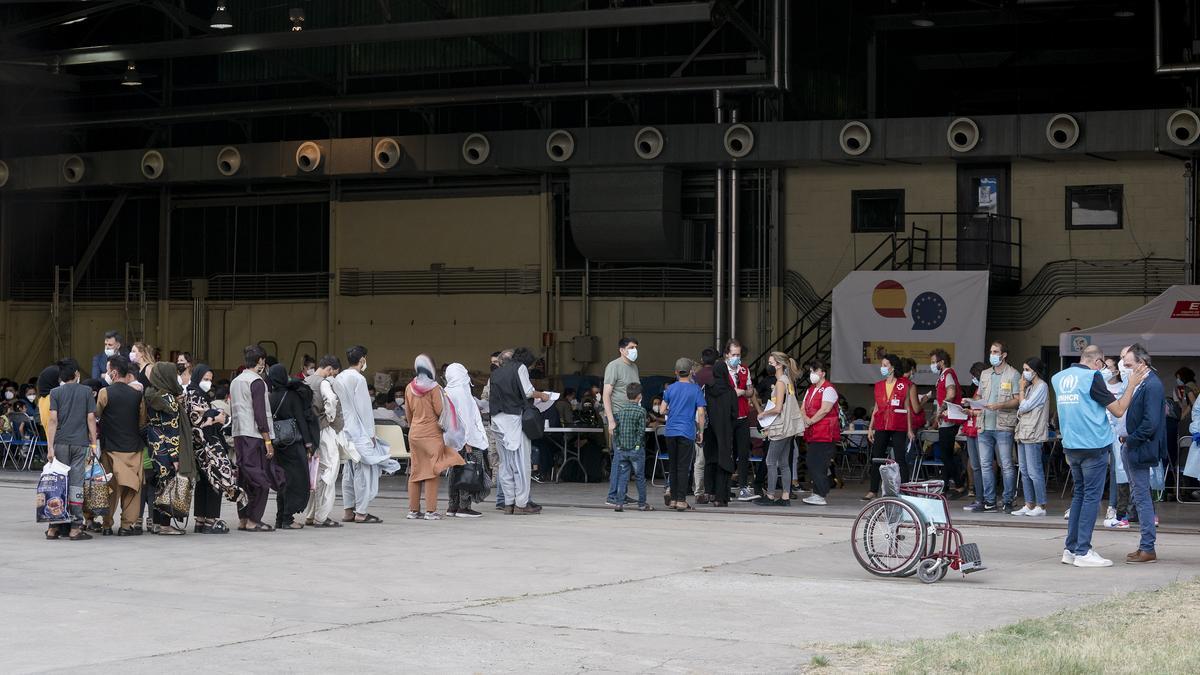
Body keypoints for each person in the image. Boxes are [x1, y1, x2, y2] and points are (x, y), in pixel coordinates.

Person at [1054, 345, 1143, 568]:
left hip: (1071, 445)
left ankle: (1070, 548)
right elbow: (1119, 409)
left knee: (1079, 496)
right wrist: (1131, 385)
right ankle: (1083, 550)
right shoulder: (1093, 377)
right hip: (1093, 445)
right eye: (1103, 364)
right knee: (1091, 498)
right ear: (1097, 362)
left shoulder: (1059, 377)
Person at [337, 344, 400, 524]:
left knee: (348, 470)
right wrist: (371, 434)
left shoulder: (339, 377)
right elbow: (365, 409)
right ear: (362, 360)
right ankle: (361, 512)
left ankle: (348, 510)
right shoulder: (359, 379)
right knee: (364, 471)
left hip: (344, 430)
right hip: (358, 431)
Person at [1119, 344, 1169, 564]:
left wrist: (1130, 440)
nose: (1125, 368)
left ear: (1142, 364)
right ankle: (1145, 546)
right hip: (1134, 445)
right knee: (1139, 496)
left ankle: (1147, 547)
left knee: (1141, 497)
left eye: (1128, 364)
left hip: (1139, 447)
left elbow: (1150, 423)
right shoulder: (1143, 384)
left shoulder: (1152, 385)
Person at [183, 363, 245, 534]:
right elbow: (198, 421)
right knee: (216, 480)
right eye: (205, 379)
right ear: (197, 378)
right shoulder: (195, 395)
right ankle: (210, 521)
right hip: (207, 445)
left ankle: (200, 520)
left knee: (204, 482)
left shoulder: (193, 393)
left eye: (210, 379)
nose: (208, 383)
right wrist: (216, 418)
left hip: (199, 446)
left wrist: (212, 415)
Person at [489, 347, 550, 515]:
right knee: (522, 464)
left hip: (497, 421)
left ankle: (508, 503)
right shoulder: (520, 367)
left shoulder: (495, 373)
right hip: (514, 420)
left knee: (505, 464)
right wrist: (542, 395)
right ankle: (522, 504)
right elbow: (528, 391)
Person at [405, 354, 466, 520]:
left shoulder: (409, 387)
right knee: (433, 471)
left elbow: (408, 414)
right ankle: (430, 511)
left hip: (415, 433)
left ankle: (413, 510)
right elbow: (441, 412)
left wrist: (414, 427)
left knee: (416, 472)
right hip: (431, 434)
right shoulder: (434, 388)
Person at [45, 359, 98, 541]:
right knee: (76, 483)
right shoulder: (86, 392)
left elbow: (53, 420)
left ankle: (54, 527)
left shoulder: (55, 392)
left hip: (60, 443)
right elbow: (91, 418)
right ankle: (75, 527)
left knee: (59, 483)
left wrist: (50, 447)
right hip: (80, 444)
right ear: (76, 374)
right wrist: (93, 442)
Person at [231, 345, 281, 533]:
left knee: (243, 478)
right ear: (260, 361)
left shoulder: (236, 381)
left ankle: (243, 518)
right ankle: (254, 519)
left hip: (239, 434)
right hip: (254, 435)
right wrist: (267, 440)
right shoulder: (257, 382)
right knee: (261, 478)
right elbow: (260, 414)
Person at [144, 361, 197, 536]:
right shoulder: (168, 401)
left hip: (154, 445)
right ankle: (165, 526)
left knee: (160, 485)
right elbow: (171, 431)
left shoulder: (151, 394)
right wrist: (175, 458)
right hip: (166, 449)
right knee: (168, 484)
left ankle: (157, 523)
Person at [96, 355, 145, 536]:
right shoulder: (137, 395)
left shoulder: (104, 393)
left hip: (110, 447)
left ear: (114, 373)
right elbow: (142, 422)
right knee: (132, 489)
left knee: (110, 488)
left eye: (108, 371)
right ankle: (126, 527)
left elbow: (96, 415)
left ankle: (106, 525)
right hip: (133, 448)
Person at [971, 341, 1021, 514]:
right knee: (985, 465)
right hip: (984, 424)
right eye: (991, 351)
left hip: (1003, 425)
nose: (992, 354)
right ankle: (990, 501)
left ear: (1004, 354)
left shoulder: (1013, 374)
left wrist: (1000, 405)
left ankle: (1008, 500)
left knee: (1006, 464)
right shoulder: (985, 374)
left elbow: (1017, 400)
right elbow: (979, 394)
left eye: (995, 351)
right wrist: (970, 403)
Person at [267, 364, 317, 530]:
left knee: (283, 482)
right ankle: (287, 519)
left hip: (277, 444)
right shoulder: (291, 395)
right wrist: (309, 443)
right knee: (297, 480)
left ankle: (280, 517)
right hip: (293, 444)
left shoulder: (270, 396)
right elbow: (301, 420)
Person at [864, 354, 916, 500]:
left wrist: (910, 430)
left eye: (885, 365)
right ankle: (873, 490)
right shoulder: (879, 385)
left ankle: (905, 489)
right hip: (881, 425)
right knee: (877, 457)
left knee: (900, 458)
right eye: (882, 365)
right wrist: (870, 427)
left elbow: (907, 408)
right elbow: (876, 408)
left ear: (893, 367)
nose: (883, 368)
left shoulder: (903, 385)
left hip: (898, 425)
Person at [755, 352, 804, 506]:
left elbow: (777, 408)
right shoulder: (787, 381)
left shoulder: (780, 383)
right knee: (784, 463)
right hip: (788, 427)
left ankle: (770, 495)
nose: (769, 365)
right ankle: (785, 496)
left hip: (781, 428)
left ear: (779, 364)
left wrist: (763, 413)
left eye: (771, 362)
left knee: (771, 461)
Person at [444, 362, 490, 518]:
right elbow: (466, 418)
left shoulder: (446, 391)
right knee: (469, 470)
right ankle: (465, 506)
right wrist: (468, 441)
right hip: (465, 438)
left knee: (454, 471)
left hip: (451, 439)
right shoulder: (462, 392)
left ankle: (452, 506)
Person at [660, 357, 706, 511]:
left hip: (671, 431)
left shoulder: (670, 389)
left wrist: (672, 412)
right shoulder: (696, 390)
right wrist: (700, 431)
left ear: (676, 372)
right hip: (687, 431)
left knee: (672, 465)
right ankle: (681, 500)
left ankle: (673, 498)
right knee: (683, 466)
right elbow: (700, 413)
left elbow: (661, 410)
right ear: (691, 372)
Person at [303, 355, 344, 528]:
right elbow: (332, 400)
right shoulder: (324, 382)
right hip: (324, 431)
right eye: (334, 372)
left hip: (311, 433)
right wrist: (329, 417)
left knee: (315, 473)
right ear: (329, 369)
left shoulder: (306, 381)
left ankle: (310, 514)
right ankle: (322, 516)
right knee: (329, 471)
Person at [603, 337, 641, 505]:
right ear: (622, 349)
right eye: (631, 347)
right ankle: (613, 495)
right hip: (618, 416)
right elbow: (606, 394)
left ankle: (621, 493)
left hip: (631, 417)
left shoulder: (634, 367)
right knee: (620, 457)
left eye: (636, 347)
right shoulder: (614, 366)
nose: (634, 350)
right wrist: (611, 419)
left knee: (626, 458)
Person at [1013, 357, 1049, 517]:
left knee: (1035, 471)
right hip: (1023, 432)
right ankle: (1029, 503)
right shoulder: (1030, 388)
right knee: (1025, 470)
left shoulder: (1042, 387)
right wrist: (1024, 391)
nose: (1024, 373)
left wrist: (1020, 389)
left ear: (1035, 371)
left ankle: (1041, 505)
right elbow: (1022, 409)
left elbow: (1024, 406)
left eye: (1027, 370)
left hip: (1033, 433)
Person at [801, 359, 840, 506]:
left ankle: (821, 492)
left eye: (814, 371)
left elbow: (825, 409)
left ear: (822, 373)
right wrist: (805, 418)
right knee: (812, 462)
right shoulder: (810, 390)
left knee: (818, 463)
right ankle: (817, 492)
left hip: (825, 432)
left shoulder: (829, 389)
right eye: (811, 371)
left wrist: (810, 420)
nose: (812, 374)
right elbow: (803, 407)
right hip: (813, 432)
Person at [609, 383, 653, 513]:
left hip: (622, 449)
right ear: (639, 396)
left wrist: (619, 445)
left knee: (623, 476)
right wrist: (638, 445)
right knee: (639, 477)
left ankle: (619, 503)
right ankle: (642, 504)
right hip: (636, 450)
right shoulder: (641, 411)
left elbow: (616, 430)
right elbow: (641, 431)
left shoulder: (621, 410)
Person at [721, 340, 756, 502]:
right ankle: (725, 487)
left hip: (742, 416)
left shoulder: (744, 370)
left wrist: (744, 391)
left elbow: (750, 390)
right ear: (727, 354)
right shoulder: (720, 370)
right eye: (733, 354)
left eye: (738, 355)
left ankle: (743, 487)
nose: (736, 357)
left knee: (743, 453)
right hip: (727, 417)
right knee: (727, 453)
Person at [929, 349, 965, 499]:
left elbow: (951, 393)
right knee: (946, 455)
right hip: (945, 420)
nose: (932, 365)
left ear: (941, 362)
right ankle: (946, 485)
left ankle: (959, 484)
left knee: (945, 455)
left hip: (949, 420)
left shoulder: (948, 374)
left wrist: (942, 408)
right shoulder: (943, 376)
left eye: (933, 362)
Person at [703, 359, 738, 508]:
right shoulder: (730, 391)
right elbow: (734, 413)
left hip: (710, 430)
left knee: (710, 460)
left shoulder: (707, 390)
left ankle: (709, 492)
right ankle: (720, 497)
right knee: (724, 463)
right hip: (725, 431)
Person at [692, 348, 718, 502]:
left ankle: (699, 491)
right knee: (709, 458)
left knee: (698, 459)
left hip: (695, 420)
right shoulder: (719, 375)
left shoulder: (696, 377)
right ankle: (708, 490)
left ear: (702, 360)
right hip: (712, 421)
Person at [960, 363, 987, 510]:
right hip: (970, 428)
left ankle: (986, 497)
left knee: (984, 465)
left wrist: (971, 408)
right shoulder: (975, 388)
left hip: (980, 428)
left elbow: (985, 408)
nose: (972, 379)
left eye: (974, 376)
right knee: (975, 465)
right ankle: (978, 497)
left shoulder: (986, 388)